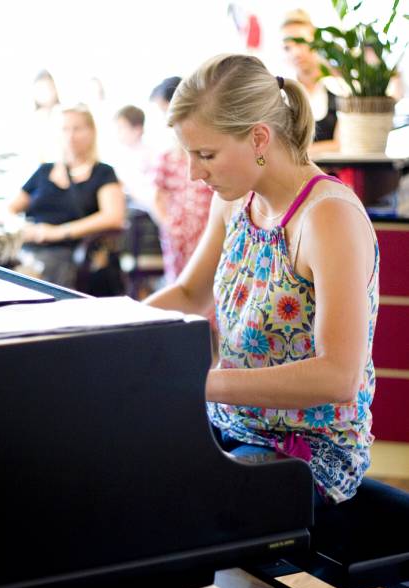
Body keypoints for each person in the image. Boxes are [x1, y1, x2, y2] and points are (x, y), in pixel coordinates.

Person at [146, 52, 379, 510]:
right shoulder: (235, 201)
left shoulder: (328, 216)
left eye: (206, 154)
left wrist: (199, 382)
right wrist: (108, 327)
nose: (195, 173)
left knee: (166, 511)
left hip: (310, 451)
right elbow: (190, 294)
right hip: (234, 424)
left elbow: (339, 376)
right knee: (124, 471)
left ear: (258, 137)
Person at [8, 103, 126, 292]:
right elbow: (9, 209)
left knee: (37, 274)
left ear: (91, 131)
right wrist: (23, 228)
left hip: (73, 254)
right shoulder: (43, 171)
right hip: (32, 249)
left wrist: (57, 232)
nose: (70, 136)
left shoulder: (103, 173)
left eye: (77, 128)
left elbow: (114, 217)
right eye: (64, 129)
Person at [150, 77, 213, 286]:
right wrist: (169, 225)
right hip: (177, 238)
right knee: (180, 285)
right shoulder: (167, 157)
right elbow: (157, 197)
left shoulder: (209, 153)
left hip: (208, 233)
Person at [280, 9, 341, 153]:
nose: (295, 53)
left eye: (300, 43)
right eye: (287, 48)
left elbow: (343, 145)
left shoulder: (339, 88)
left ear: (317, 42)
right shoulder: (282, 94)